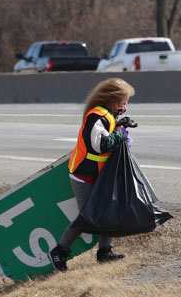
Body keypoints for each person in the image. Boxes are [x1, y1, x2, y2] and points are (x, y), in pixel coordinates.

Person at [49, 78, 135, 272]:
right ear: (112, 100)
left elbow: (105, 134)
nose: (125, 106)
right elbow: (99, 145)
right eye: (123, 101)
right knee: (88, 217)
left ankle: (105, 251)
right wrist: (121, 133)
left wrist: (119, 124)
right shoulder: (97, 116)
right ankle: (59, 251)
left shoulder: (107, 116)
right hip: (84, 175)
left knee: (108, 209)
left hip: (99, 174)